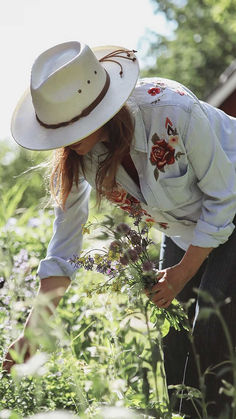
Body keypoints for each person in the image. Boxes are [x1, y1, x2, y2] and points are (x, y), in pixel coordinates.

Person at [2, 41, 236, 417]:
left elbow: (224, 199)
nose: (67, 140)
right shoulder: (79, 156)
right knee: (174, 339)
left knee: (210, 328)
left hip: (231, 207)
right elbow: (64, 249)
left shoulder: (171, 112)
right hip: (184, 230)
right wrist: (32, 334)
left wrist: (180, 274)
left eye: (74, 126)